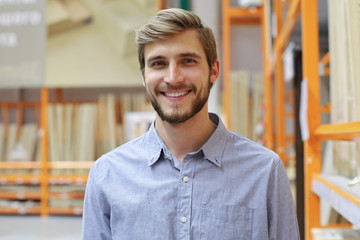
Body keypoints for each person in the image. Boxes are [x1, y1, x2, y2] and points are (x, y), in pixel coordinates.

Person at [82, 8, 300, 240]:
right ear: (144, 75)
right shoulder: (107, 175)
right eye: (158, 63)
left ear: (213, 71)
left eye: (187, 61)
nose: (173, 78)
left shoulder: (264, 172)